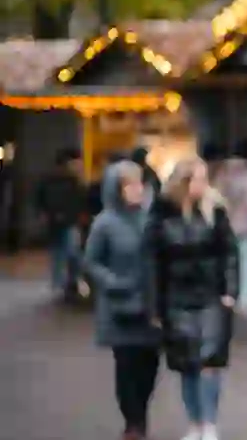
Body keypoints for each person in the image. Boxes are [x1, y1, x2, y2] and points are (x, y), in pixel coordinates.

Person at [145, 157, 239, 440]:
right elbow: (152, 262)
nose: (202, 185)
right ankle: (195, 422)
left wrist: (229, 291)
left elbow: (229, 253)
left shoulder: (215, 211)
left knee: (210, 361)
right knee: (187, 363)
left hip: (211, 294)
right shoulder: (161, 215)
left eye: (203, 178)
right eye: (196, 179)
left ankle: (209, 423)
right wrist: (155, 306)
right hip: (176, 296)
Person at [83, 160, 162, 440]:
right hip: (120, 306)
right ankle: (134, 422)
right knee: (127, 367)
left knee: (150, 366)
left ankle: (140, 414)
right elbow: (91, 262)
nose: (136, 189)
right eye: (129, 185)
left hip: (150, 305)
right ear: (117, 190)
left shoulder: (151, 218)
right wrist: (112, 282)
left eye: (139, 183)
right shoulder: (104, 223)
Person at [214, 141, 247, 314]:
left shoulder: (222, 174)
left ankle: (228, 294)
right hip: (246, 226)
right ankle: (245, 299)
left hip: (227, 225)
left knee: (228, 262)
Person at [35, 148, 88, 299]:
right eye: (76, 162)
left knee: (67, 252)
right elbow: (41, 198)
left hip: (66, 222)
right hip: (62, 222)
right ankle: (65, 283)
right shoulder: (68, 181)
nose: (79, 165)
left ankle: (66, 283)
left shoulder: (73, 180)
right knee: (65, 252)